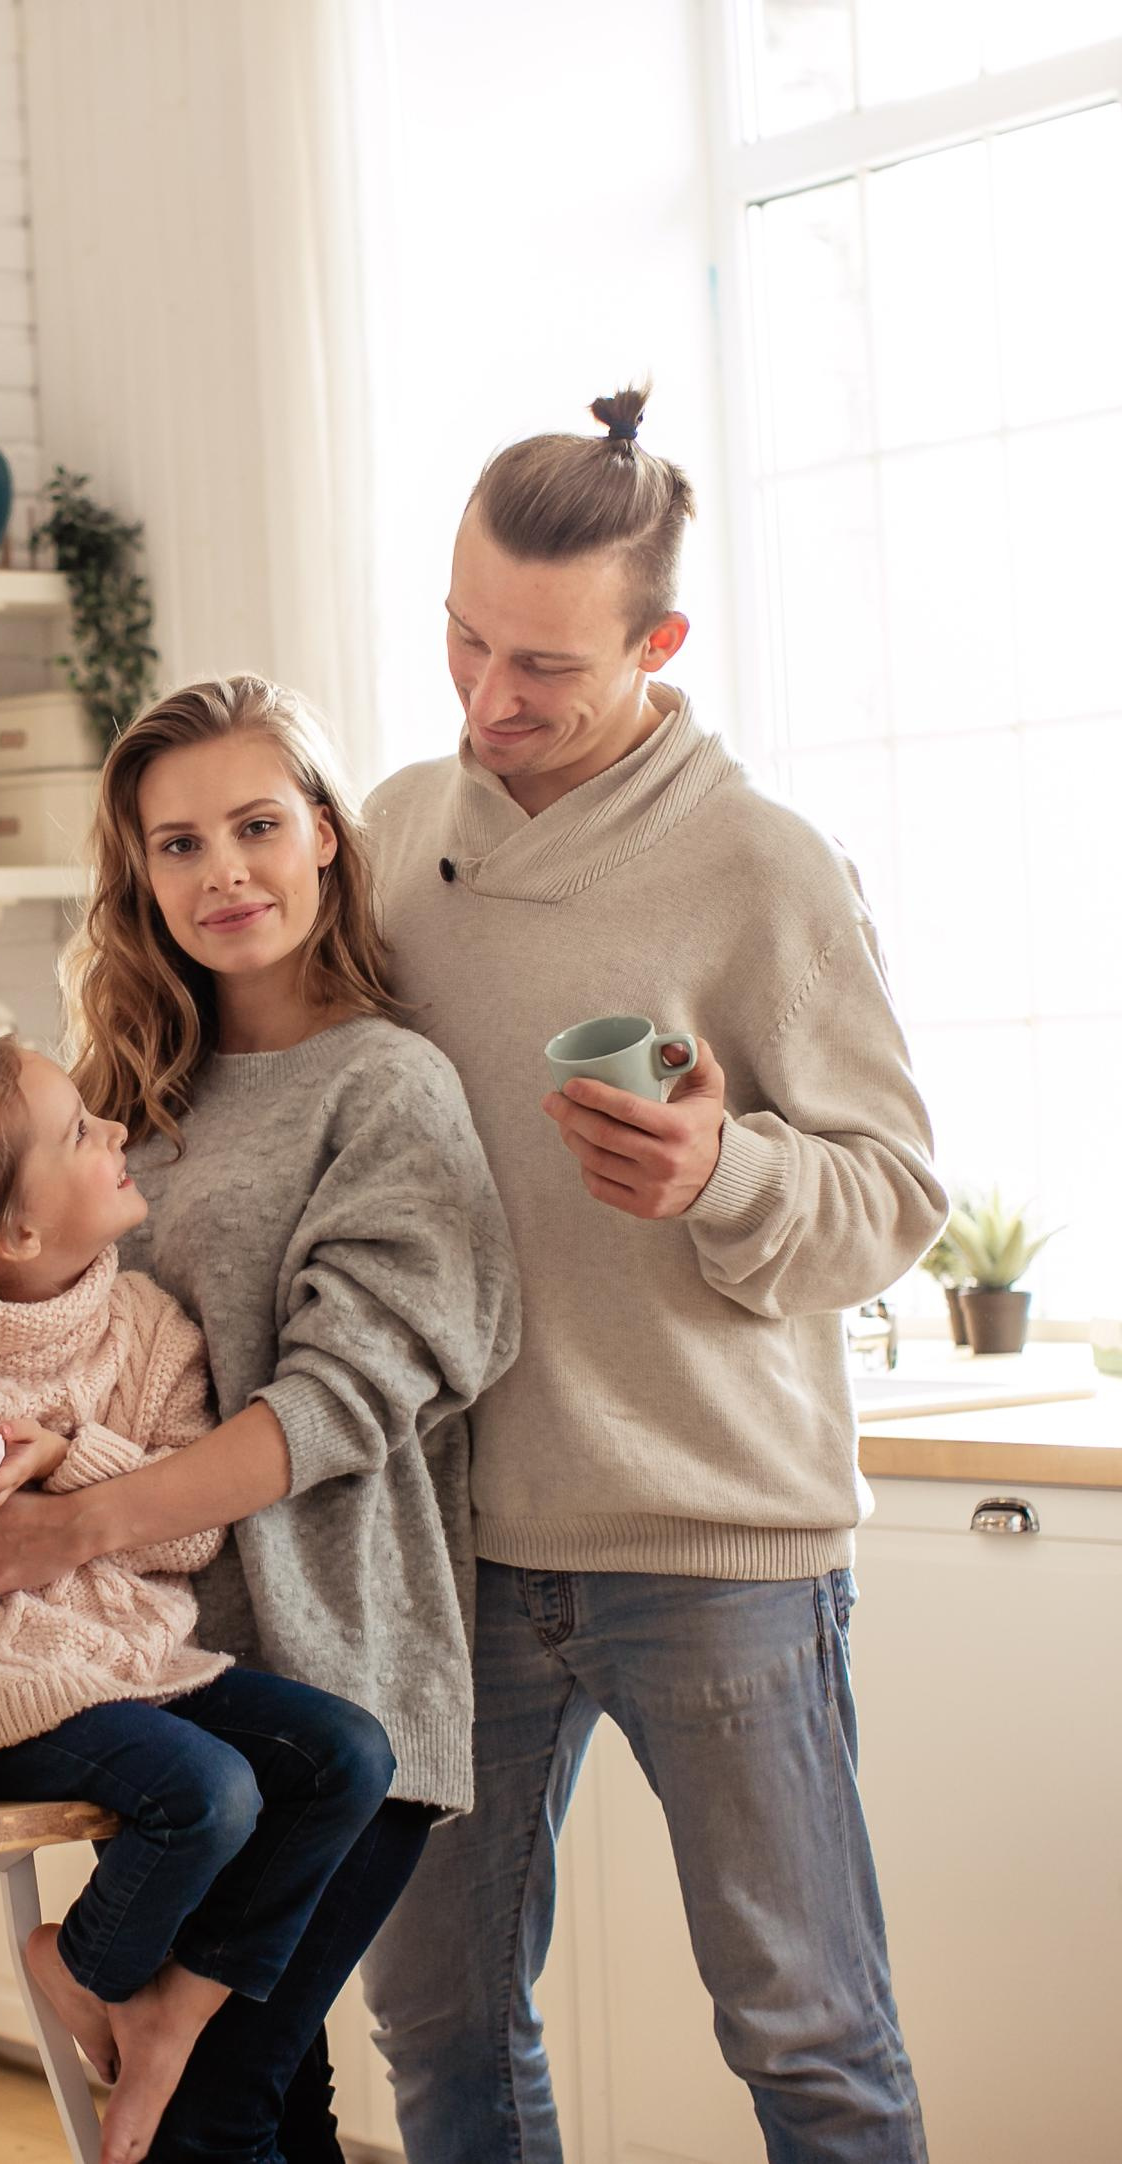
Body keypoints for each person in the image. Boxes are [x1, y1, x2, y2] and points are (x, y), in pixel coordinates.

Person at [354, 384, 943, 2161]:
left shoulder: (761, 865)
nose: (486, 700)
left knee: (810, 2034)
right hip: (456, 1546)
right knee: (440, 2025)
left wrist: (721, 1167)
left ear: (659, 641)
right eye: (464, 637)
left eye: (542, 665)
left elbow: (895, 1190)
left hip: (716, 1543)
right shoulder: (392, 834)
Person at [0, 676, 521, 2163]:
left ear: (326, 837)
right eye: (177, 843)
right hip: (169, 1684)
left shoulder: (390, 1087)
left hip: (344, 1681)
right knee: (262, 2105)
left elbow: (338, 1404)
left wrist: (65, 1526)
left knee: (219, 2109)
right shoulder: (135, 1089)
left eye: (258, 827)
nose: (223, 874)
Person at [0, 1033, 399, 2164]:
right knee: (208, 1794)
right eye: (77, 1131)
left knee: (346, 1753)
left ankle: (157, 1997)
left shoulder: (147, 1330)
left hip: (139, 1669)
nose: (113, 1132)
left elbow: (191, 1528)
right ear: (16, 1231)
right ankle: (97, 1970)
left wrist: (66, 1454)